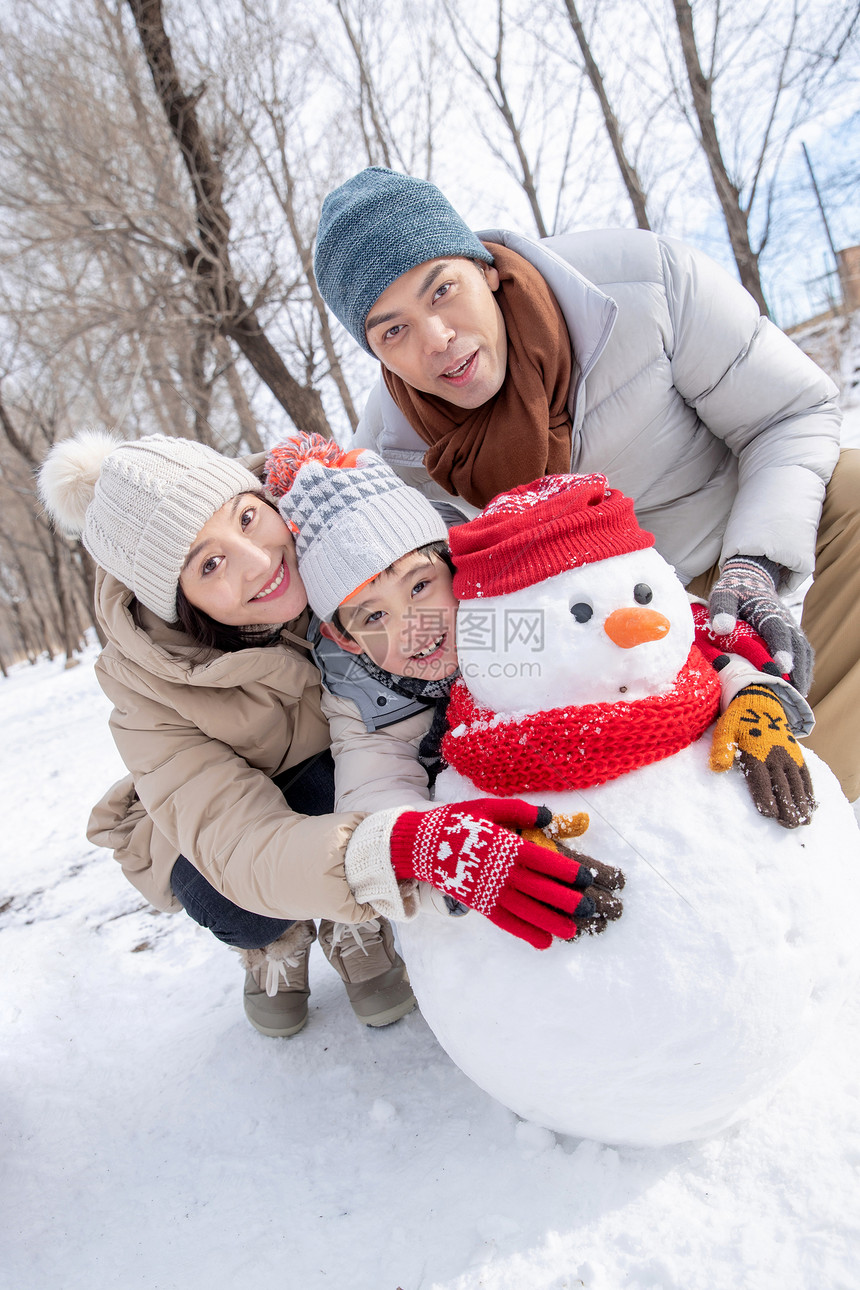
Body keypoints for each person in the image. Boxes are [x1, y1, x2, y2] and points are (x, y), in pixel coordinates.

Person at [312, 167, 860, 803]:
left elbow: (789, 414)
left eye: (442, 291)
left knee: (851, 487)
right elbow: (364, 602)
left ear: (484, 266)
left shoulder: (645, 282)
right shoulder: (392, 455)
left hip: (729, 547)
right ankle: (718, 814)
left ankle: (808, 799)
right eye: (394, 330)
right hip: (583, 634)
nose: (438, 340)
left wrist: (755, 567)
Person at [37, 433, 605, 1039]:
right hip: (237, 821)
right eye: (208, 564)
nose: (257, 561)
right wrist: (396, 851)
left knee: (424, 740)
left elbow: (523, 610)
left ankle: (348, 906)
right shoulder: (146, 685)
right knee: (237, 902)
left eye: (248, 518)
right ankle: (281, 939)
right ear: (179, 603)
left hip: (364, 751)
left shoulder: (335, 516)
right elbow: (238, 844)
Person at [262, 432, 461, 814]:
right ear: (347, 640)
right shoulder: (356, 696)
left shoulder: (502, 607)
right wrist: (419, 838)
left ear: (452, 567)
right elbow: (374, 791)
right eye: (375, 615)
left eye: (419, 586)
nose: (413, 625)